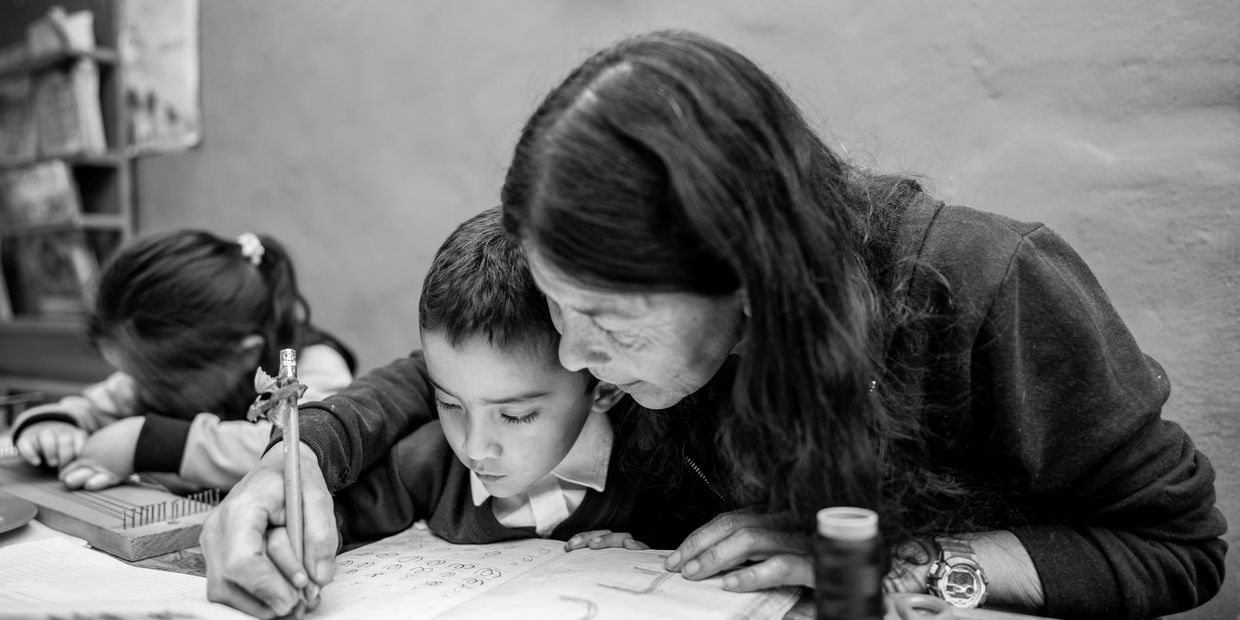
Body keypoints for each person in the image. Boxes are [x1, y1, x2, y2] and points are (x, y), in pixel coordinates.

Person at [201, 31, 1226, 620]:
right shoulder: (618, 354)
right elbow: (436, 368)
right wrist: (292, 461)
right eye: (558, 303)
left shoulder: (992, 289)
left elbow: (1177, 548)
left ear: (746, 275)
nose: (570, 354)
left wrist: (889, 562)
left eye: (604, 317)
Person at [328, 207, 721, 555]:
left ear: (605, 385)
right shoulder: (423, 466)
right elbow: (321, 526)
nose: (475, 447)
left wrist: (649, 558)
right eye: (449, 404)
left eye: (515, 415)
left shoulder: (666, 480)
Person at [9, 229, 356, 492]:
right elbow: (93, 407)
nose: (140, 390)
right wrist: (55, 427)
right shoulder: (154, 377)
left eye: (156, 382)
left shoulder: (316, 368)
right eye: (133, 376)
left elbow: (302, 447)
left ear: (243, 354)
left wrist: (148, 443)